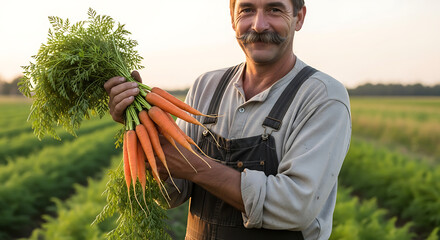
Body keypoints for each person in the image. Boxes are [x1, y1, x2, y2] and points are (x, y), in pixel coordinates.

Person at [104, 0, 351, 239]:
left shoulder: (323, 97)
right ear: (232, 18)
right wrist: (144, 131)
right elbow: (172, 195)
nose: (258, 25)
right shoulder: (206, 86)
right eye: (247, 10)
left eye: (274, 9)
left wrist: (196, 166)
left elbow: (295, 208)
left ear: (299, 17)